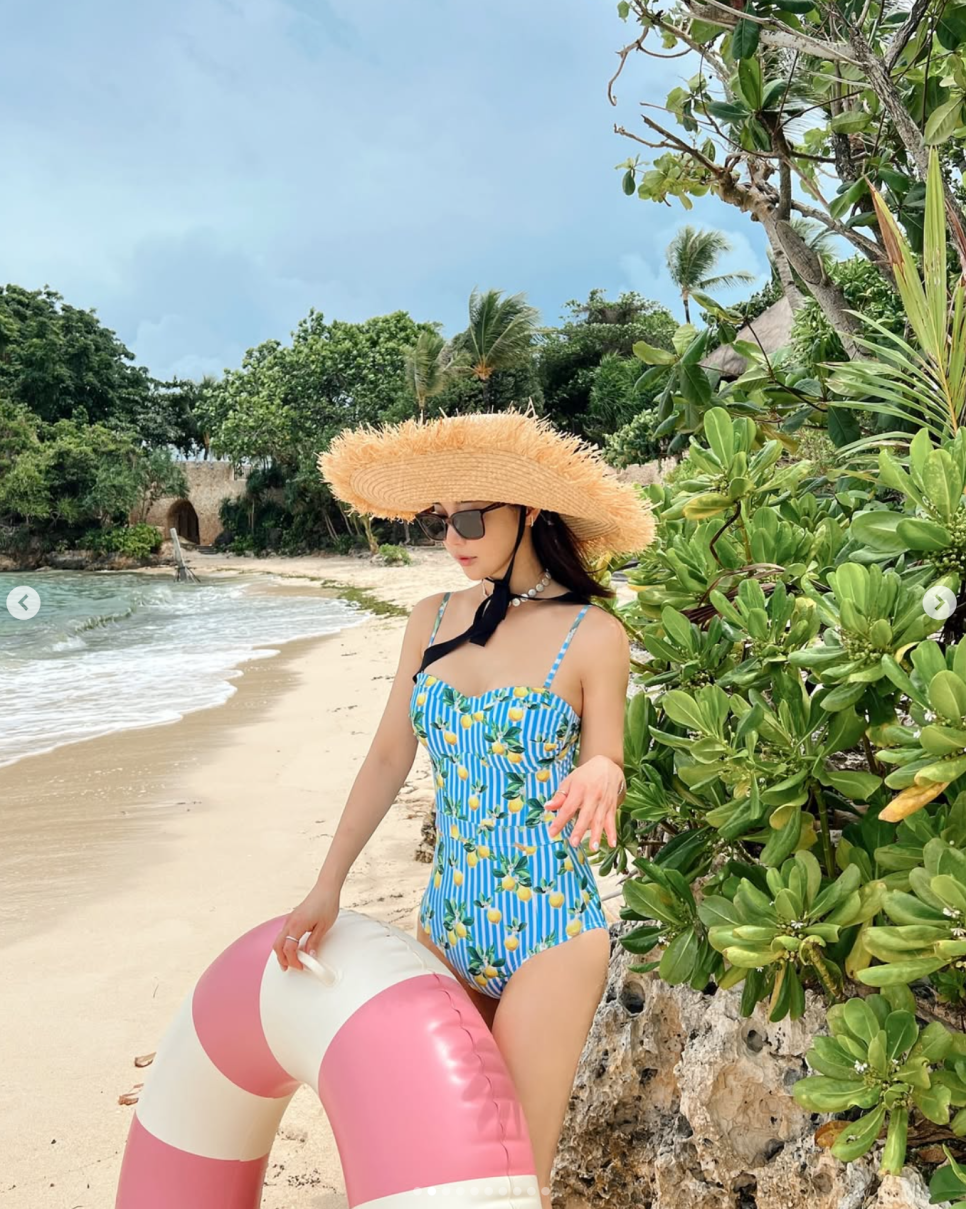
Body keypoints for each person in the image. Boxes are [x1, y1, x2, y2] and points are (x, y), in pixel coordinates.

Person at [273, 408, 654, 1204]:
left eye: (472, 518)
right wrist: (327, 884)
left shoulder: (593, 634)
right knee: (438, 1159)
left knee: (512, 1171)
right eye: (442, 520)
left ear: (531, 511)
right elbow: (389, 755)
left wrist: (603, 773)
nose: (454, 537)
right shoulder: (431, 619)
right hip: (445, 923)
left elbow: (607, 757)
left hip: (551, 929)